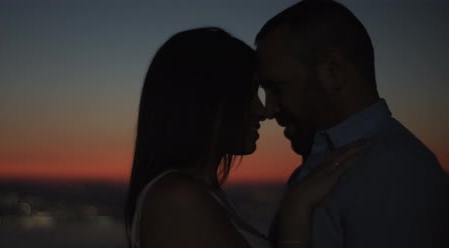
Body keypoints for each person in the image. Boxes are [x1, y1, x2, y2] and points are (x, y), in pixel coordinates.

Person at [124, 27, 368, 248]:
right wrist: (296, 210)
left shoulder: (198, 194)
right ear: (209, 101)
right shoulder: (177, 200)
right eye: (251, 93)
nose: (263, 111)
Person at [255, 1, 449, 248]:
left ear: (332, 71)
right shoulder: (335, 163)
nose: (269, 109)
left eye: (276, 88)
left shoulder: (395, 172)